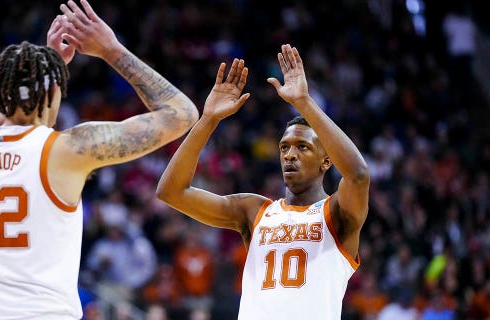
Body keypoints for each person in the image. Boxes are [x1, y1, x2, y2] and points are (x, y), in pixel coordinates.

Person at [0, 0, 198, 319]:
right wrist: (111, 50)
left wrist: (45, 73)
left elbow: (7, 125)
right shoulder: (67, 150)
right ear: (54, 92)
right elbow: (181, 114)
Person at [156, 44, 370, 318]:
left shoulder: (337, 213)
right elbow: (171, 191)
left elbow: (359, 175)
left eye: (302, 147)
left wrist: (304, 102)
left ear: (326, 161)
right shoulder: (254, 211)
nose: (290, 155)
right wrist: (208, 119)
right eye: (284, 147)